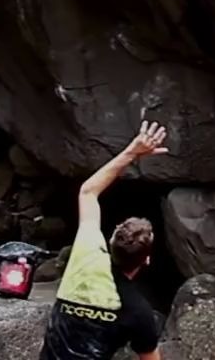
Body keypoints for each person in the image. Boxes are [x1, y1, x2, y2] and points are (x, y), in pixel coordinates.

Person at [39, 121, 169, 360]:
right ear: (147, 260)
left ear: (110, 243)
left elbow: (88, 191)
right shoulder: (139, 311)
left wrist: (133, 151)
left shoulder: (84, 256)